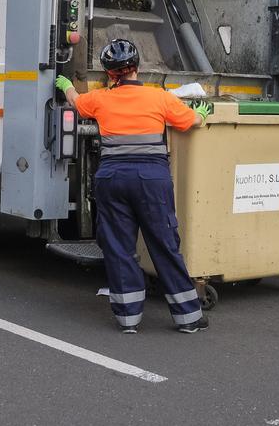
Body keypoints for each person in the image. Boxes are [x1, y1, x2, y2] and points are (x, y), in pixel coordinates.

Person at [56, 39, 212, 334]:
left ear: (109, 74)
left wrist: (65, 84)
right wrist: (202, 114)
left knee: (118, 247)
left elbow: (77, 104)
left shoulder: (101, 98)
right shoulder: (160, 98)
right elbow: (190, 121)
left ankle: (128, 318)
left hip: (112, 179)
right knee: (164, 245)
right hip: (152, 180)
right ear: (137, 68)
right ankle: (189, 318)